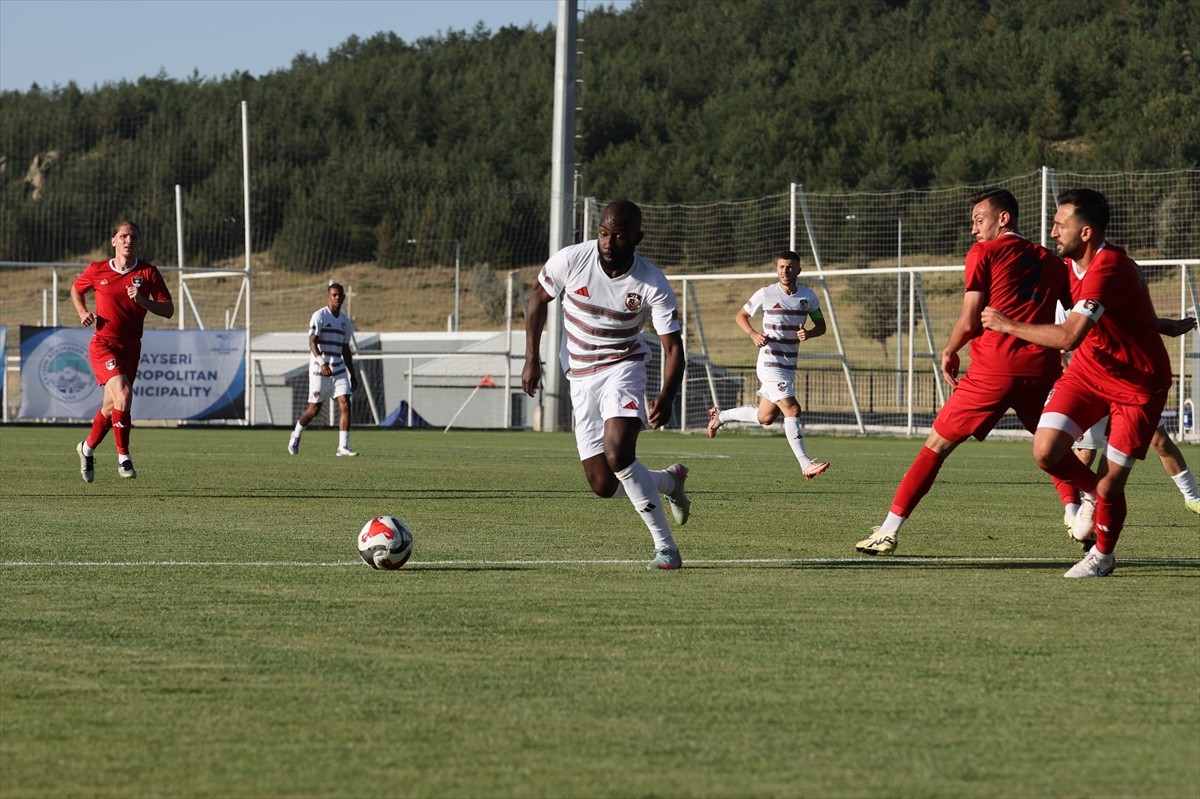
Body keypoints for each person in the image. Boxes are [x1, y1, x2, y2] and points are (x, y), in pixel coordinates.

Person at [855, 188, 1070, 556]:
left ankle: (888, 530)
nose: (973, 229)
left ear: (1004, 219)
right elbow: (1074, 313)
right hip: (1041, 369)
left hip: (994, 369)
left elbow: (971, 318)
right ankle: (1076, 513)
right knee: (1050, 450)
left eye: (978, 219)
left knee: (935, 447)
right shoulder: (1052, 260)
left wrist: (950, 349)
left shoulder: (984, 252)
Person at [981, 188, 1175, 578]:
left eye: (1059, 224)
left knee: (1111, 483)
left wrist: (1006, 325)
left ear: (1085, 232)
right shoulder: (1070, 265)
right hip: (1089, 372)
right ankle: (1092, 494)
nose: (1052, 232)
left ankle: (1103, 556)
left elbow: (1069, 336)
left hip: (1137, 384)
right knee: (1046, 450)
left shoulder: (1109, 267)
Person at [521, 200, 691, 570]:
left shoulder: (652, 283)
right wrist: (532, 358)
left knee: (619, 455)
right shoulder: (571, 260)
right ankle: (668, 481)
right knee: (602, 483)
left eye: (619, 235)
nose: (609, 242)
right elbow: (537, 297)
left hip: (624, 366)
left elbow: (673, 346)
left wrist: (667, 393)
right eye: (603, 233)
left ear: (637, 238)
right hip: (580, 377)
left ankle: (666, 549)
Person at [706, 251, 830, 479]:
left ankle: (720, 417)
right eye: (781, 267)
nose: (785, 271)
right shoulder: (766, 293)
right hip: (769, 362)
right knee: (792, 409)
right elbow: (741, 316)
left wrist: (809, 333)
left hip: (789, 364)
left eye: (790, 267)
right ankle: (805, 464)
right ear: (777, 269)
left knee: (765, 417)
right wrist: (753, 334)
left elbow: (821, 325)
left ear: (798, 270)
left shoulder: (808, 297)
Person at [71, 220, 175, 481]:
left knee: (111, 406)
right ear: (113, 240)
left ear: (139, 242)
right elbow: (76, 288)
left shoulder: (149, 273)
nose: (129, 240)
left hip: (131, 347)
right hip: (103, 344)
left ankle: (86, 448)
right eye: (124, 236)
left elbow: (168, 310)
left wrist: (142, 300)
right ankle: (124, 458)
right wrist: (83, 311)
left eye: (134, 237)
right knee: (125, 394)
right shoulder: (97, 269)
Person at [288, 282, 359, 457]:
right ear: (328, 297)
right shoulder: (319, 316)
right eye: (333, 295)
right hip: (319, 369)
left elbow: (345, 349)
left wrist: (353, 374)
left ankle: (342, 447)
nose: (337, 298)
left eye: (339, 295)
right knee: (314, 410)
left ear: (343, 297)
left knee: (345, 403)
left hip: (339, 369)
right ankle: (296, 434)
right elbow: (312, 341)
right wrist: (321, 362)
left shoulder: (345, 322)